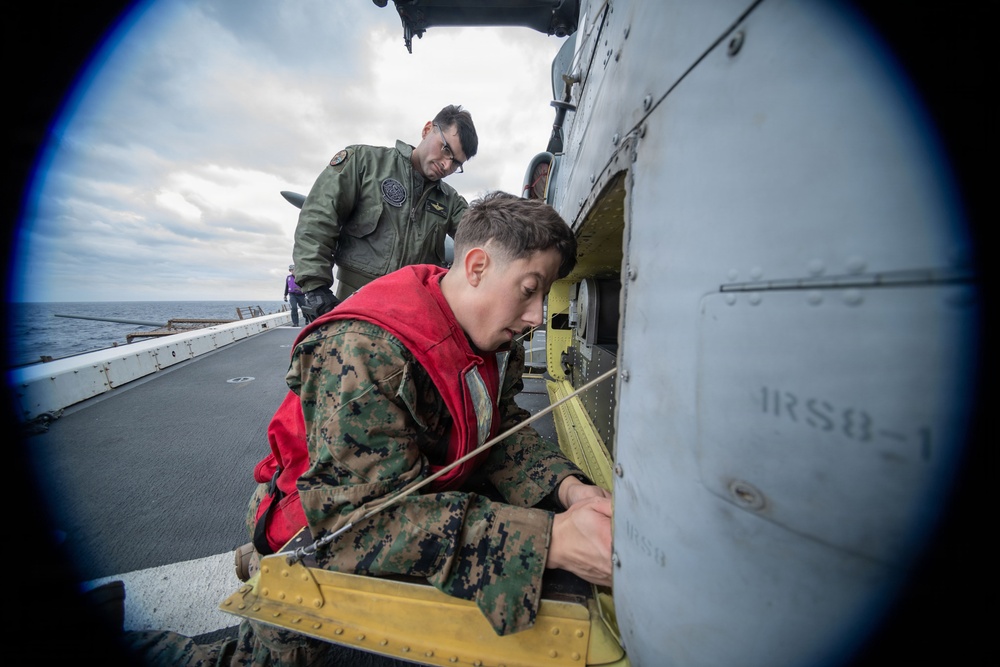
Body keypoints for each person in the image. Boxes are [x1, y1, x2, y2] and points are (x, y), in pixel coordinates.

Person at [121, 192, 613, 666]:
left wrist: (569, 489)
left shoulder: (492, 337)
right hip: (317, 521)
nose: (536, 316)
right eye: (529, 290)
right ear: (477, 267)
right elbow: (359, 522)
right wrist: (550, 540)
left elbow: (499, 429)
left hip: (407, 485)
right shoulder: (364, 350)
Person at [293, 104, 478, 319]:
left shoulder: (451, 202)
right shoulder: (364, 163)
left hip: (412, 315)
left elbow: (484, 237)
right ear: (428, 129)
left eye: (456, 163)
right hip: (353, 304)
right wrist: (316, 288)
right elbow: (318, 218)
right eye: (446, 149)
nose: (446, 165)